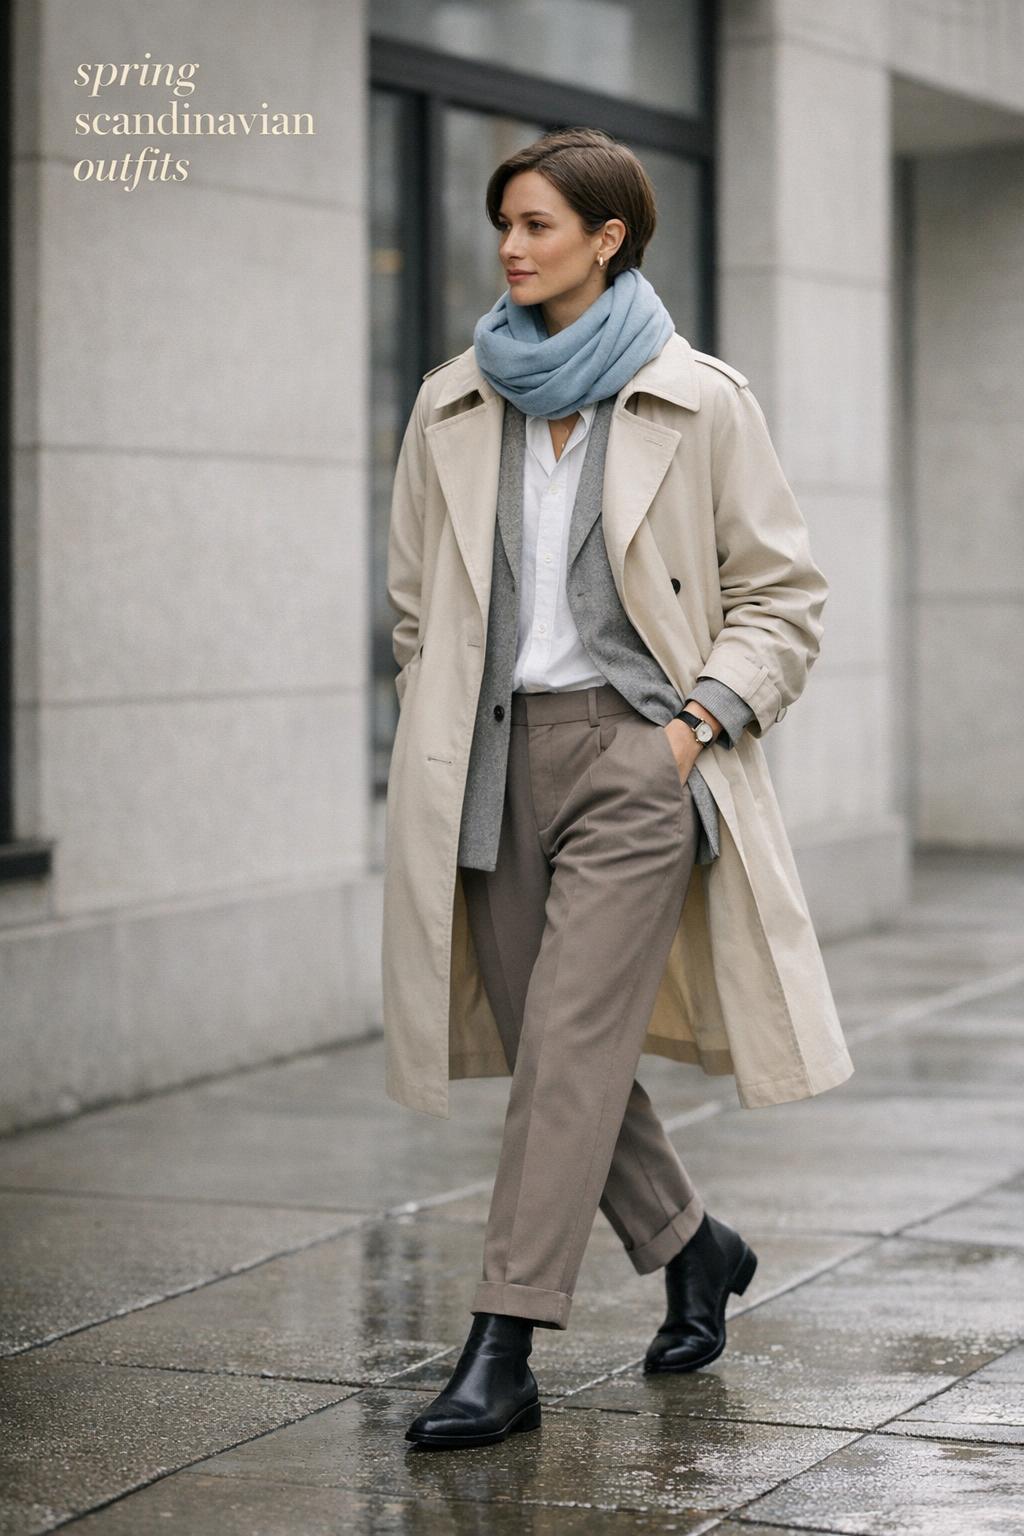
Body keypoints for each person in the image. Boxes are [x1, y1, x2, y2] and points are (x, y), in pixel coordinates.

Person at [383, 126, 854, 1451]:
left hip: (639, 761)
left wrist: (694, 727)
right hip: (487, 763)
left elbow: (782, 598)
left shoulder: (698, 399)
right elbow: (418, 608)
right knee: (556, 1053)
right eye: (504, 224)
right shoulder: (453, 402)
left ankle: (503, 1344)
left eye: (538, 224)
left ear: (609, 239)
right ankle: (693, 1247)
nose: (511, 247)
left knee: (575, 1046)